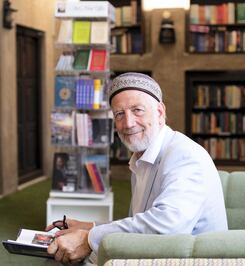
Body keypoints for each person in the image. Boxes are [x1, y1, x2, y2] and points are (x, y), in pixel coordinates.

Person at [46, 72, 228, 264]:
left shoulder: (184, 155)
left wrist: (89, 238)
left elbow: (166, 226)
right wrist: (89, 227)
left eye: (137, 110)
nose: (128, 123)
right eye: (119, 114)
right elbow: (143, 225)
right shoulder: (141, 158)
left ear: (159, 112)